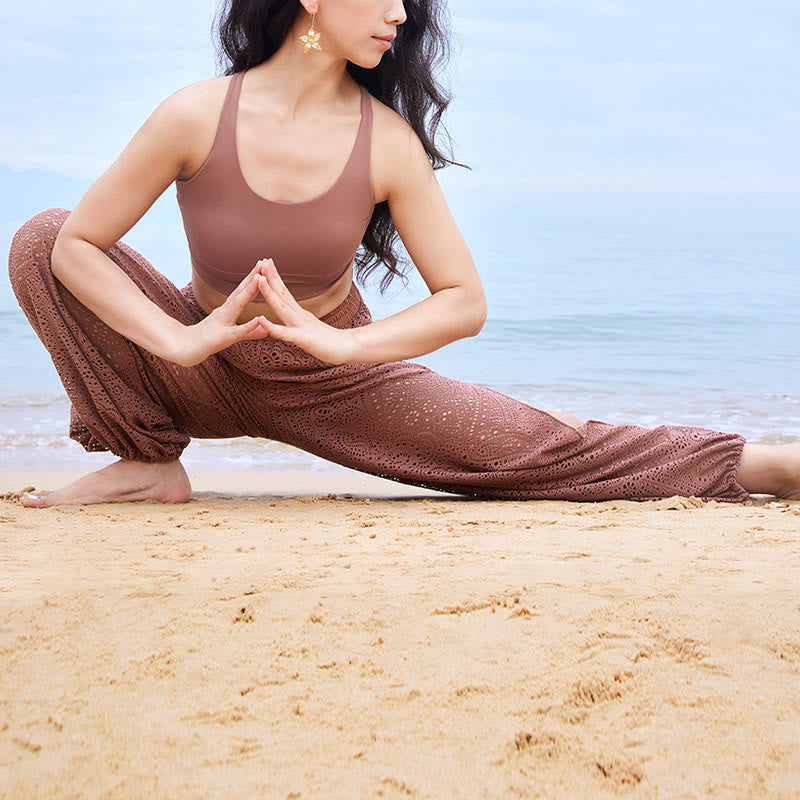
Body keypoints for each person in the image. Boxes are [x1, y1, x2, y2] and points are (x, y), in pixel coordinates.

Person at [8, 0, 799, 508]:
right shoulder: (193, 116)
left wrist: (339, 344)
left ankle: (765, 466)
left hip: (334, 382)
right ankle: (147, 464)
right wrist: (180, 340)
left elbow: (464, 299)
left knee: (535, 449)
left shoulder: (387, 144)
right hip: (203, 368)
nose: (398, 14)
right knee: (41, 234)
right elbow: (78, 245)